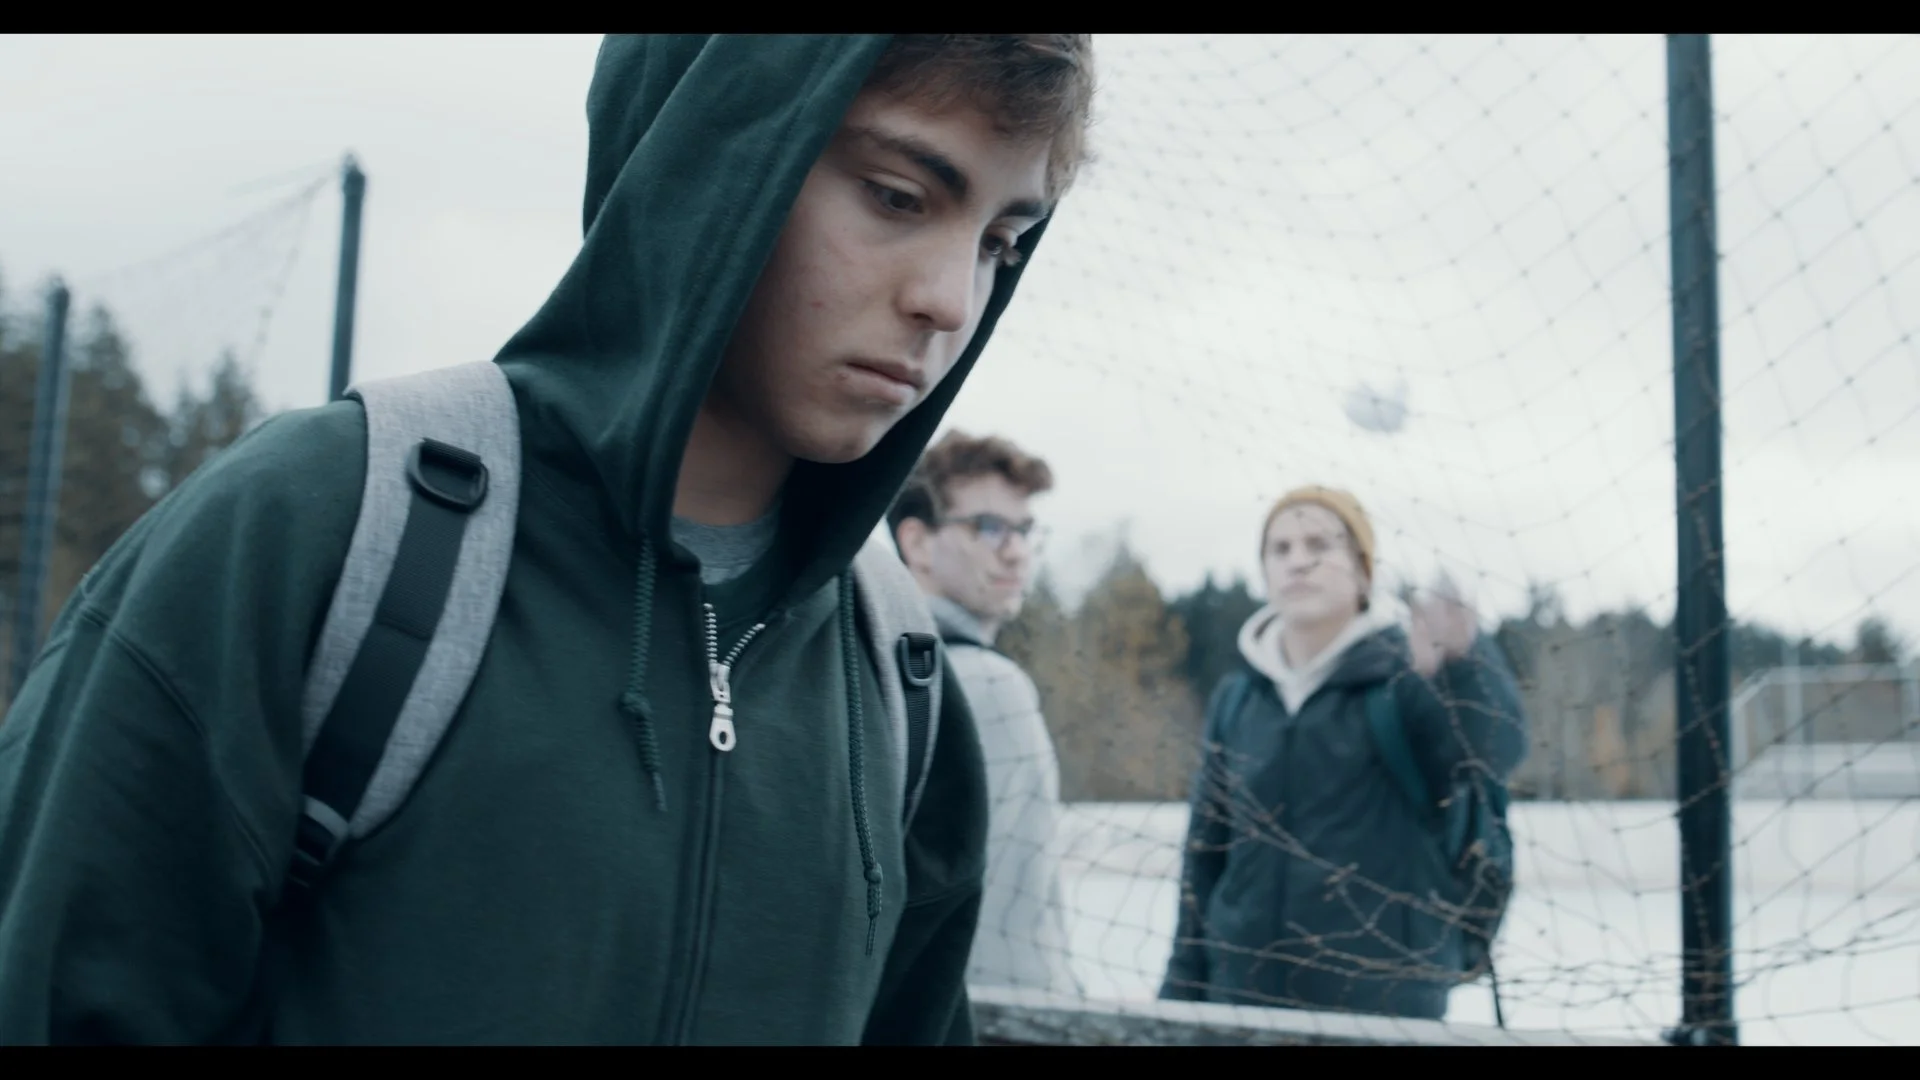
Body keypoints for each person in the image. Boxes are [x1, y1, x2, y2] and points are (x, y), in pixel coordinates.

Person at [0, 34, 1097, 1045]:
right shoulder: (322, 533)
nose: (951, 300)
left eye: (1001, 242)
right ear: (708, 157)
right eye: (898, 196)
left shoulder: (901, 683)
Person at [1158, 485, 1528, 1020]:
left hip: (1384, 1008)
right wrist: (1180, 993)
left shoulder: (1408, 678)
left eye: (1319, 544)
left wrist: (1464, 665)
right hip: (1238, 1002)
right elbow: (1204, 854)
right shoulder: (1239, 697)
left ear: (1363, 571)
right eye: (1280, 548)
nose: (1298, 561)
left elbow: (1497, 749)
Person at [887, 430, 1081, 996]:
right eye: (988, 527)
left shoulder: (872, 663)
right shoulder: (991, 686)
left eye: (1024, 530)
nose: (1016, 551)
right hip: (989, 1012)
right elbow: (1007, 918)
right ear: (918, 543)